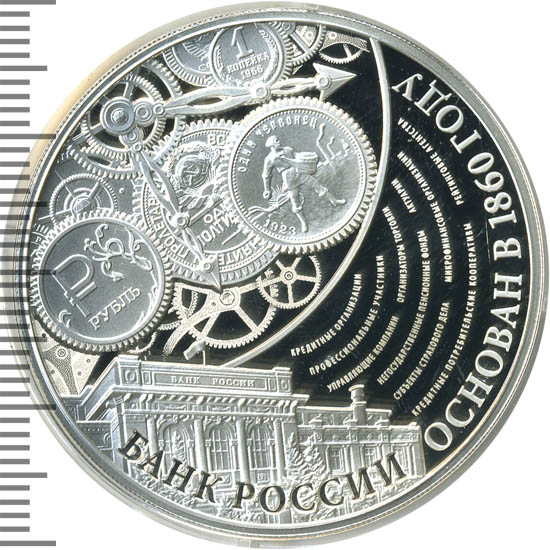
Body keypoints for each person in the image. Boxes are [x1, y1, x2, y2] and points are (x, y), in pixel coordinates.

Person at [262, 135, 345, 233]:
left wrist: (309, 159)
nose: (279, 141)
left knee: (318, 186)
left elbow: (299, 157)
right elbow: (266, 175)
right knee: (295, 201)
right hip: (289, 179)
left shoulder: (288, 149)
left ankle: (334, 201)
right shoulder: (269, 159)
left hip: (299, 172)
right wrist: (267, 190)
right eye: (276, 141)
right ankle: (303, 222)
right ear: (272, 145)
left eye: (278, 139)